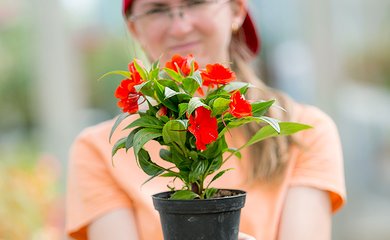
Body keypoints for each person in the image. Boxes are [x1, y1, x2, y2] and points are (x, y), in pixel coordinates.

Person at [66, 0, 346, 239]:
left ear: (236, 10)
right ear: (134, 28)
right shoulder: (99, 150)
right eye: (156, 9)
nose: (180, 26)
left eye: (196, 2)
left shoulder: (305, 133)